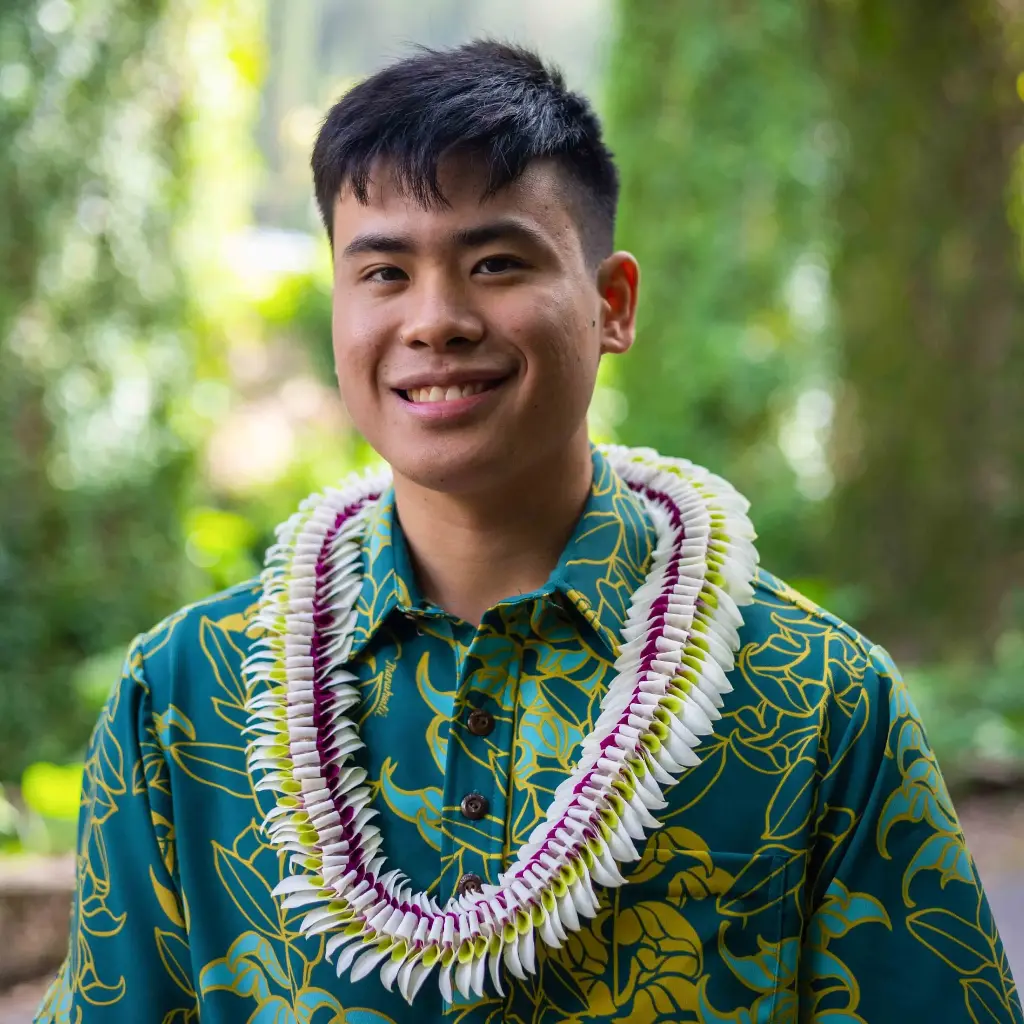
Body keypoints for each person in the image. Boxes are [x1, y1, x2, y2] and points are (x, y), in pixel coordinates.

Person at [38, 40, 1021, 1024]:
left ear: (612, 304)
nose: (436, 320)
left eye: (495, 262)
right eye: (383, 271)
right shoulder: (183, 697)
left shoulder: (812, 701)